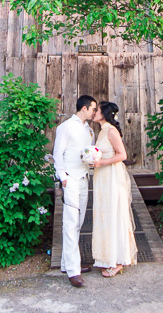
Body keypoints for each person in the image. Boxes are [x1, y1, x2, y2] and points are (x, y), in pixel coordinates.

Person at [52, 94, 97, 288]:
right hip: (70, 179)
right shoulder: (66, 127)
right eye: (93, 108)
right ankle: (73, 271)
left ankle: (67, 263)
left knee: (78, 222)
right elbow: (57, 153)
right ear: (85, 108)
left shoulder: (89, 130)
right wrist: (63, 177)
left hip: (84, 179)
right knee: (70, 222)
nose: (95, 112)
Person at [91, 101, 138, 277]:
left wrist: (101, 162)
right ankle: (107, 257)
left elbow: (122, 155)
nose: (95, 112)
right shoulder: (102, 131)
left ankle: (119, 260)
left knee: (114, 215)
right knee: (105, 216)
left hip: (112, 176)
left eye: (98, 110)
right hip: (102, 178)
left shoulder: (111, 130)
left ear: (105, 114)